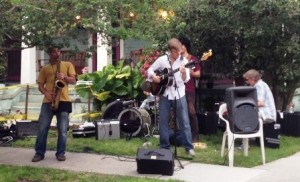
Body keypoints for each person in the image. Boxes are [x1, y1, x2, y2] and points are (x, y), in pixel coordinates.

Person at [147, 38, 196, 156]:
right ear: (170, 51)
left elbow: (186, 79)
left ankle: (188, 147)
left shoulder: (184, 61)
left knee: (184, 121)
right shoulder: (162, 60)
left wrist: (184, 73)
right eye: (176, 52)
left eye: (180, 51)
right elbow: (150, 70)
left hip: (179, 93)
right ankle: (164, 147)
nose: (179, 54)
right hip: (165, 94)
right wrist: (153, 77)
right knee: (163, 121)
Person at [32, 46, 77, 162]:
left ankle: (60, 153)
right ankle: (39, 153)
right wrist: (47, 93)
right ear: (50, 54)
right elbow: (40, 86)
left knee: (62, 130)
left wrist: (64, 77)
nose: (56, 53)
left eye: (58, 51)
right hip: (48, 102)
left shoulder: (67, 65)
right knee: (42, 129)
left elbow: (74, 80)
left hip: (63, 101)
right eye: (54, 51)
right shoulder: (45, 69)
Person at [178, 36, 201, 143]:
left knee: (191, 112)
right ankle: (180, 136)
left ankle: (195, 136)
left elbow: (198, 74)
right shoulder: (176, 59)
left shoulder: (193, 59)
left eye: (180, 45)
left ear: (185, 46)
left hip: (189, 89)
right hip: (177, 89)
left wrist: (191, 72)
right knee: (177, 113)